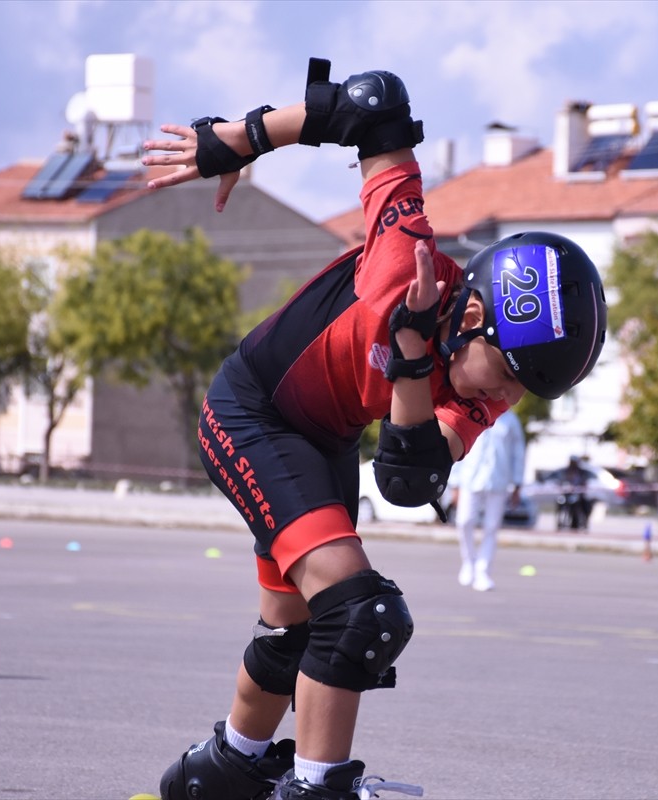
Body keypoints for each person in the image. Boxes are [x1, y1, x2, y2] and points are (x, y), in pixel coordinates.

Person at [140, 58, 607, 800]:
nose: (509, 395)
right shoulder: (402, 260)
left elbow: (408, 477)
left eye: (526, 387)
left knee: (295, 634)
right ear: (475, 315)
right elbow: (374, 104)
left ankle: (220, 772)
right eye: (510, 373)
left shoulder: (489, 380)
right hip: (252, 413)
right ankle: (316, 787)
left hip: (324, 442)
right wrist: (241, 139)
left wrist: (413, 357)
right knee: (362, 613)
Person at [449, 409, 526, 591]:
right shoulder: (474, 411)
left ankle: (483, 570)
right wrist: (454, 482)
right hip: (470, 478)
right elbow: (459, 447)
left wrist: (517, 483)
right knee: (464, 521)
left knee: (492, 527)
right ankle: (469, 561)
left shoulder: (510, 420)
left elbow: (518, 453)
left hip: (498, 480)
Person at [557, 456, 592, 531]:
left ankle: (584, 523)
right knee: (560, 503)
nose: (573, 464)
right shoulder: (565, 472)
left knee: (586, 505)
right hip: (566, 495)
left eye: (574, 463)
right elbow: (560, 482)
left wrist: (581, 488)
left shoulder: (582, 472)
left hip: (579, 495)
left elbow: (585, 483)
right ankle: (560, 522)